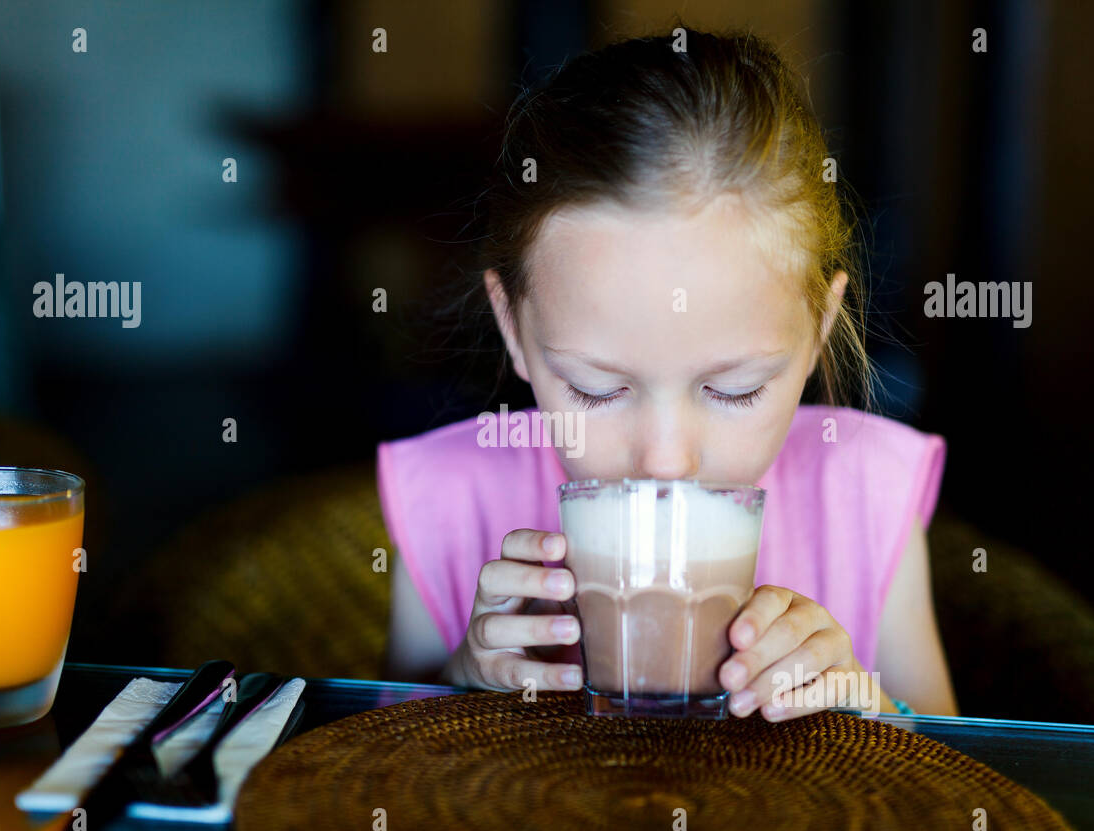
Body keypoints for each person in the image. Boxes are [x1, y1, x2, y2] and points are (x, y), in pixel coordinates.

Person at [376, 26, 960, 720]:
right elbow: (388, 778)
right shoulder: (447, 498)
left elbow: (951, 789)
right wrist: (462, 683)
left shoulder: (864, 489)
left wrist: (870, 713)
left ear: (819, 332)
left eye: (732, 389)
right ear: (513, 327)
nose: (665, 458)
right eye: (597, 388)